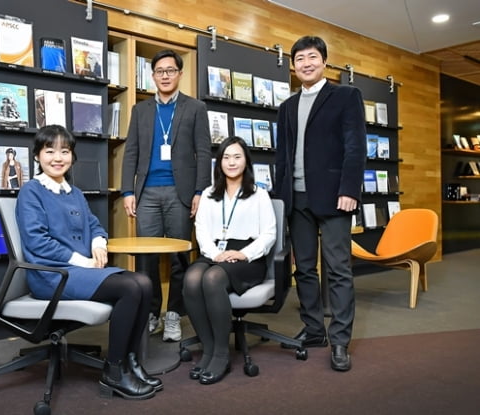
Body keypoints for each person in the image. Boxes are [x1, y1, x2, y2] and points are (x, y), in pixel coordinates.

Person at [16, 125, 162, 399]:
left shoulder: (74, 192)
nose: (57, 157)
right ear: (37, 156)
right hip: (51, 275)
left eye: (65, 151)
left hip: (77, 270)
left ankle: (131, 362)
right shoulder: (31, 192)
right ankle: (114, 371)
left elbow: (95, 226)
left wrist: (98, 244)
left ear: (72, 156)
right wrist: (81, 261)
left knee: (143, 282)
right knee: (130, 288)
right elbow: (37, 243)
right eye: (50, 151)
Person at [274, 36, 366, 372]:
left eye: (312, 57)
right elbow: (281, 158)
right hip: (296, 199)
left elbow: (355, 147)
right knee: (305, 270)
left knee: (339, 270)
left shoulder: (345, 96)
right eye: (299, 59)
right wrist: (281, 199)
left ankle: (340, 340)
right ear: (294, 67)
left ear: (324, 61)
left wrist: (350, 189)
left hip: (334, 197)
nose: (306, 63)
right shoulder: (286, 107)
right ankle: (314, 330)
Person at [121, 49, 211, 342]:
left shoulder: (195, 108)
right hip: (146, 191)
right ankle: (151, 313)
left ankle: (174, 313)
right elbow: (131, 151)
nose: (165, 76)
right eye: (159, 71)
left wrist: (200, 191)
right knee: (147, 258)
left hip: (180, 191)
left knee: (178, 257)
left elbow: (204, 151)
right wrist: (127, 191)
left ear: (179, 74)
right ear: (153, 76)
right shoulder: (140, 110)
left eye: (170, 70)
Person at [183, 136, 276, 385]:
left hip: (248, 257)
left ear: (246, 161)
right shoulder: (209, 194)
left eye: (237, 156)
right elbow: (201, 231)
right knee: (192, 278)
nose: (231, 162)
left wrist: (244, 253)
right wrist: (216, 254)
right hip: (216, 252)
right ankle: (210, 350)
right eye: (226, 157)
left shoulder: (259, 195)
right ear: (219, 162)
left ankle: (222, 355)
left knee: (212, 278)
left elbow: (269, 234)